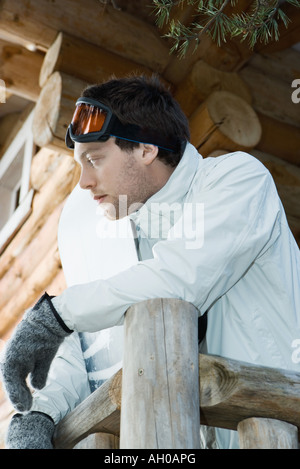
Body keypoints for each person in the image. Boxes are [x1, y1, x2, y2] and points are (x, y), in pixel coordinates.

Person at [1, 75, 300, 449]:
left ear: (145, 149)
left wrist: (56, 315)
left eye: (94, 160)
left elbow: (179, 280)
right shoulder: (126, 232)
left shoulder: (238, 181)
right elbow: (92, 346)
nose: (84, 182)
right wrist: (38, 412)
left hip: (273, 432)